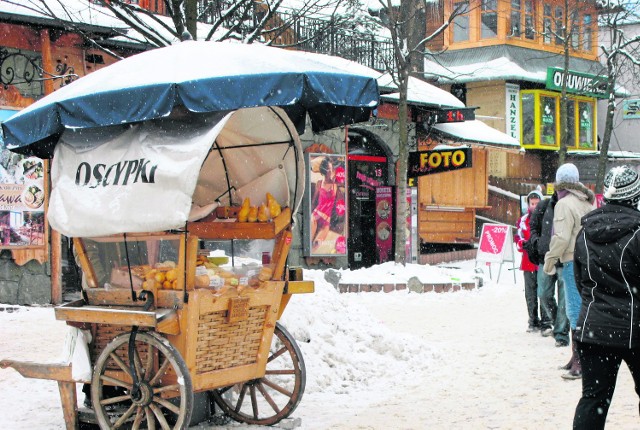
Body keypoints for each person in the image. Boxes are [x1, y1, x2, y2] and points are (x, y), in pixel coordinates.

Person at [572, 165, 640, 429]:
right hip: (634, 329)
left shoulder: (585, 232)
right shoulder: (637, 232)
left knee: (593, 399)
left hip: (594, 329)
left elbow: (581, 282)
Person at [543, 162, 595, 380]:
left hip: (572, 260)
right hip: (589, 260)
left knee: (575, 311)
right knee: (584, 307)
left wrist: (550, 259)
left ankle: (579, 362)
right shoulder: (587, 203)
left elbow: (561, 237)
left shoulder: (564, 204)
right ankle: (577, 357)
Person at [524, 190, 570, 348]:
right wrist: (536, 241)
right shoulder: (544, 206)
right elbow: (533, 226)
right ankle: (559, 322)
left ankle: (561, 334)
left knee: (565, 299)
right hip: (546, 257)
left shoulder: (571, 205)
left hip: (566, 258)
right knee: (543, 294)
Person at [515, 190, 543, 332]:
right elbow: (518, 238)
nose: (535, 206)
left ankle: (546, 321)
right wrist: (523, 244)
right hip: (528, 262)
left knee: (544, 292)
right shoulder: (523, 220)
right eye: (532, 204)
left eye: (537, 204)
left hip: (542, 262)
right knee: (530, 294)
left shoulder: (546, 219)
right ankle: (533, 320)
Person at [311, 157, 337, 248]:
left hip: (326, 220)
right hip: (316, 215)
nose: (330, 171)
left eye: (331, 169)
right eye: (328, 169)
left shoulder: (335, 185)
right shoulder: (319, 183)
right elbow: (314, 201)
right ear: (324, 171)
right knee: (309, 240)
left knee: (317, 244)